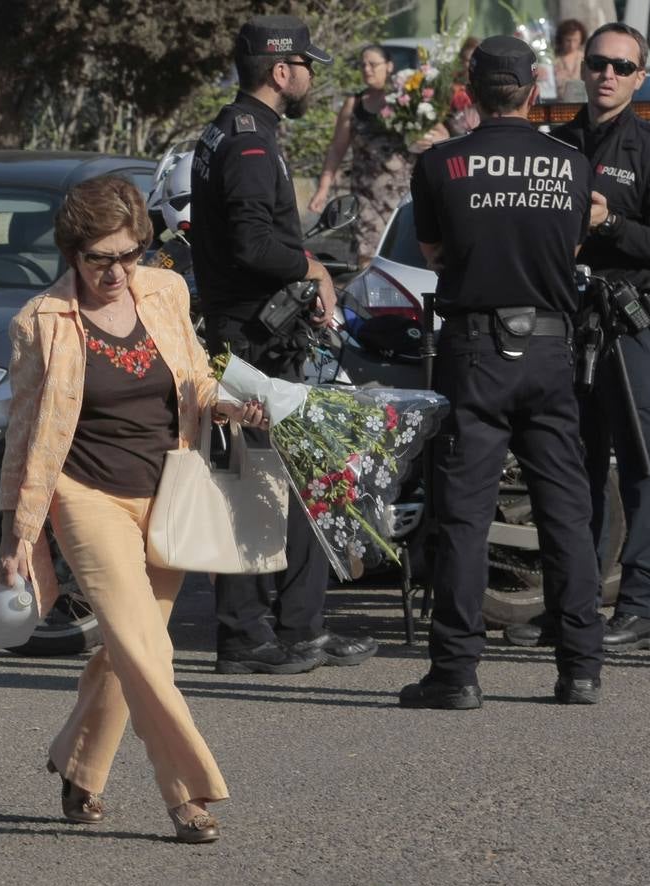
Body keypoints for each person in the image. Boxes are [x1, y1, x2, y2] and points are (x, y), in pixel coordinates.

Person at [0, 175, 262, 844]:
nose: (115, 272)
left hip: (169, 492)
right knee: (145, 649)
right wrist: (15, 532)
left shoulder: (165, 292)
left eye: (128, 255)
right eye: (98, 259)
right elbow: (24, 434)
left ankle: (77, 766)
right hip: (86, 496)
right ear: (71, 254)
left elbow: (193, 373)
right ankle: (186, 794)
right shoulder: (40, 323)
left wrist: (222, 404)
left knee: (127, 650)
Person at [400, 36, 604, 710]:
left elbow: (433, 252)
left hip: (475, 349)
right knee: (565, 512)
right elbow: (570, 243)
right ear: (532, 87)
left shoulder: (438, 164)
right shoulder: (572, 165)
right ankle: (580, 668)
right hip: (549, 350)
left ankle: (454, 673)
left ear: (470, 89)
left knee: (463, 515)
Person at [192, 15, 378, 676]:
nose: (309, 78)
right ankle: (243, 635)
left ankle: (300, 627)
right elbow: (249, 243)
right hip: (251, 338)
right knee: (254, 486)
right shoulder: (246, 141)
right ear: (280, 70)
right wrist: (312, 267)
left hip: (260, 334)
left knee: (297, 482)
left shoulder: (247, 131)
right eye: (305, 65)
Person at [507, 24, 650, 653]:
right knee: (569, 470)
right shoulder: (553, 145)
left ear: (640, 77)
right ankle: (571, 608)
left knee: (646, 466)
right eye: (597, 63)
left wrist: (608, 220)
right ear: (582, 70)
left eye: (622, 66)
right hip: (565, 326)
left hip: (630, 325)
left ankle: (644, 610)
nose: (607, 75)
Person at [310, 45, 448, 262]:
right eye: (363, 65)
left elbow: (442, 136)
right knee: (367, 258)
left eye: (373, 64)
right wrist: (323, 188)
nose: (367, 69)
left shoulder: (409, 99)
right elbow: (337, 148)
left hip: (405, 197)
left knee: (404, 259)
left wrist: (430, 141)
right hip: (366, 197)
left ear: (389, 66)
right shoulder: (353, 104)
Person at [553, 19, 589, 85]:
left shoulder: (586, 59)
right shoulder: (554, 59)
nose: (571, 45)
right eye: (568, 40)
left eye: (575, 40)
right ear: (561, 39)